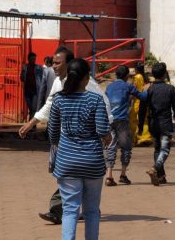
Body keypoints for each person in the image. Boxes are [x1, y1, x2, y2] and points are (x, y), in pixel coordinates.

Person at [19, 47, 111, 226]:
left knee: (71, 176)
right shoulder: (58, 82)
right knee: (74, 177)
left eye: (57, 62)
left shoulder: (87, 83)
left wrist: (102, 134)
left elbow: (104, 107)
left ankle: (61, 211)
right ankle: (86, 209)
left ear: (69, 64)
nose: (53, 66)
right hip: (66, 142)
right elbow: (50, 105)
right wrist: (31, 124)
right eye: (52, 62)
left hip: (86, 143)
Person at [48, 58, 111, 240]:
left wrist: (59, 145)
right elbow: (101, 129)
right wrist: (108, 137)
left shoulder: (59, 99)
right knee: (91, 211)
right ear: (86, 78)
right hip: (93, 162)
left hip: (66, 162)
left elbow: (52, 132)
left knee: (69, 210)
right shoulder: (95, 99)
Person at [103, 65, 145, 186]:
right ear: (127, 76)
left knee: (110, 147)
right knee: (126, 147)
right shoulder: (128, 86)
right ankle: (123, 174)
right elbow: (142, 96)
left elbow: (105, 102)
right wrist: (147, 89)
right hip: (122, 120)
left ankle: (109, 175)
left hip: (110, 119)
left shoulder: (109, 86)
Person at [143, 63, 175, 185]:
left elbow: (144, 106)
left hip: (153, 123)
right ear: (164, 74)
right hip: (165, 123)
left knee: (157, 149)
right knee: (164, 150)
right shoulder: (170, 88)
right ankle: (154, 168)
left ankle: (161, 176)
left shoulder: (149, 89)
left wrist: (140, 124)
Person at [130, 63, 153, 146]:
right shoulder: (145, 77)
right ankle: (145, 138)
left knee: (133, 120)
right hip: (144, 100)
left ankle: (134, 139)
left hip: (137, 101)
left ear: (136, 69)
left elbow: (134, 89)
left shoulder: (137, 77)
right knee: (144, 120)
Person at [21, 52, 43, 122]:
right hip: (27, 91)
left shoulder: (39, 67)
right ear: (28, 59)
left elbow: (42, 77)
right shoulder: (25, 67)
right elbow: (21, 78)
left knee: (33, 108)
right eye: (32, 59)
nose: (33, 60)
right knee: (30, 108)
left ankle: (31, 124)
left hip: (35, 91)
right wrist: (23, 73)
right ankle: (31, 124)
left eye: (34, 59)